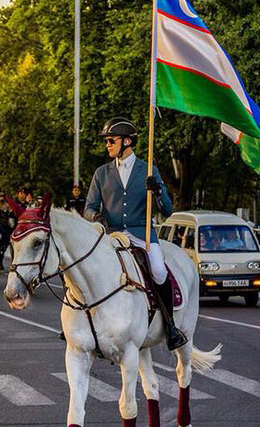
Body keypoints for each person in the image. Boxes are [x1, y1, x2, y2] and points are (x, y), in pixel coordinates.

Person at [84, 117, 186, 350]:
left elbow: (168, 210)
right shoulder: (101, 173)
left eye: (111, 140)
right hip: (112, 236)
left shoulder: (149, 170)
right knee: (87, 268)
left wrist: (158, 191)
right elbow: (89, 208)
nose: (107, 145)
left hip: (142, 234)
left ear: (127, 141)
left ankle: (170, 327)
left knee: (159, 272)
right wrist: (97, 218)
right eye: (106, 141)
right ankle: (82, 323)